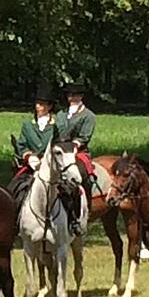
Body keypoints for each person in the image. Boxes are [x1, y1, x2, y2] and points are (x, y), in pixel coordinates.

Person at [55, 82, 96, 234]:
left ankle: (80, 213)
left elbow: (84, 137)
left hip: (78, 151)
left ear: (81, 96)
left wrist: (72, 146)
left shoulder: (88, 116)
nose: (71, 98)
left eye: (74, 95)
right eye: (69, 95)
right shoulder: (60, 115)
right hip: (59, 149)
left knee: (78, 174)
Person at [7, 84, 57, 205]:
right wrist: (28, 156)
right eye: (37, 104)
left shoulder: (57, 126)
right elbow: (22, 144)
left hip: (51, 165)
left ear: (49, 106)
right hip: (31, 166)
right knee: (14, 188)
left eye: (42, 104)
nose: (38, 107)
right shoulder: (27, 125)